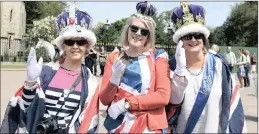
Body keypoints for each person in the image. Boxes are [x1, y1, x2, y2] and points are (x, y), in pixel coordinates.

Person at [1, 4, 99, 133]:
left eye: (80, 42)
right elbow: (25, 107)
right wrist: (30, 83)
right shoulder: (46, 72)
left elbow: (89, 121)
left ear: (87, 46)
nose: (75, 46)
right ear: (63, 45)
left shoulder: (90, 82)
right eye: (70, 41)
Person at [167, 2, 246, 133]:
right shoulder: (171, 67)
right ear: (180, 40)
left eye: (198, 35)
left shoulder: (218, 65)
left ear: (203, 38)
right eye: (187, 36)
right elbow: (171, 103)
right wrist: (180, 71)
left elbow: (232, 106)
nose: (193, 40)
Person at [99, 1, 171, 133]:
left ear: (149, 37)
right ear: (127, 29)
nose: (138, 33)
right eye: (134, 28)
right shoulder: (114, 57)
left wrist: (126, 104)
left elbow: (163, 96)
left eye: (144, 32)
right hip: (119, 126)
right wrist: (113, 80)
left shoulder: (159, 58)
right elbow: (104, 100)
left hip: (147, 127)